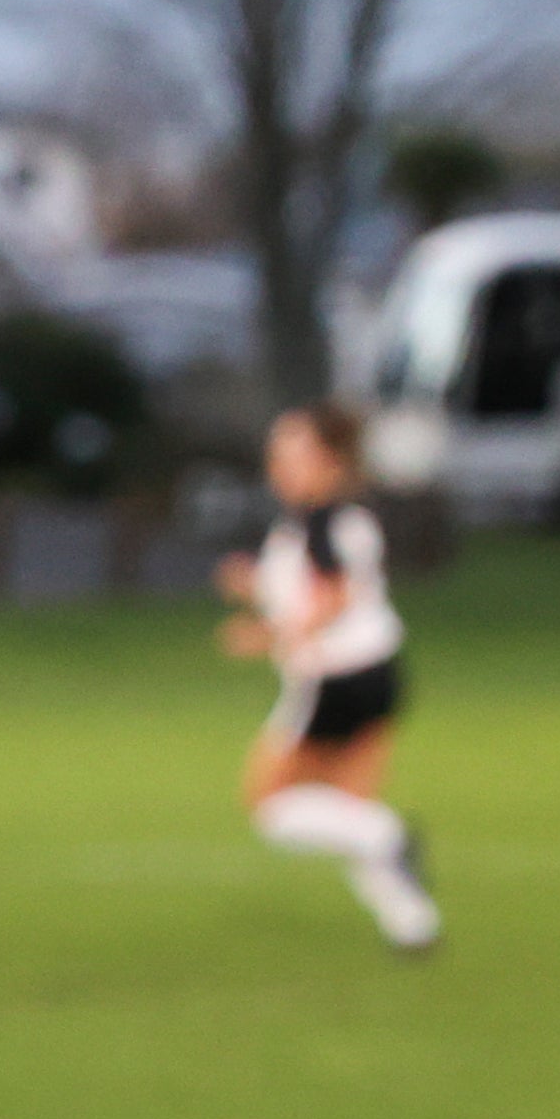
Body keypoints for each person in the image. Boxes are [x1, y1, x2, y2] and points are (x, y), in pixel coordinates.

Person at [218, 402, 439, 953]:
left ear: (331, 461)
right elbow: (325, 587)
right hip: (379, 673)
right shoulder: (335, 518)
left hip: (337, 680)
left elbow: (334, 599)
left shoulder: (322, 520)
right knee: (347, 810)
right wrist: (254, 584)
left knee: (270, 805)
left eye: (293, 454)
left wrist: (263, 634)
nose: (279, 466)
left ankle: (391, 837)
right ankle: (412, 922)